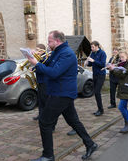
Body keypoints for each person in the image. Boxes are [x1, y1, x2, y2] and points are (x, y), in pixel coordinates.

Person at [27, 30, 97, 161]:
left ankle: (48, 156)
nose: (48, 44)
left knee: (44, 121)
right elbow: (47, 65)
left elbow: (54, 72)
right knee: (73, 121)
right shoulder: (57, 52)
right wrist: (34, 58)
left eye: (50, 41)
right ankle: (90, 144)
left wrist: (36, 64)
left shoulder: (67, 54)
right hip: (59, 92)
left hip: (61, 93)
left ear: (57, 41)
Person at [108, 50, 128, 133]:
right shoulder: (122, 64)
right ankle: (127, 124)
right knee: (123, 107)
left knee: (121, 107)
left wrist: (113, 69)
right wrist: (112, 68)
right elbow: (118, 74)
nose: (121, 59)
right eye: (120, 57)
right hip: (123, 88)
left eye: (123, 57)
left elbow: (121, 74)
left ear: (127, 57)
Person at [85, 41, 107, 116]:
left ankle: (101, 110)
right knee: (96, 92)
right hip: (95, 74)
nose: (91, 48)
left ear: (97, 46)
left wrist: (93, 60)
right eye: (91, 47)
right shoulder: (93, 53)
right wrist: (87, 63)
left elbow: (102, 64)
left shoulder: (102, 53)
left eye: (93, 47)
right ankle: (99, 109)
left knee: (97, 92)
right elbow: (91, 64)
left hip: (101, 74)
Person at [33, 44, 47, 121]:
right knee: (40, 100)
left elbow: (43, 69)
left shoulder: (45, 58)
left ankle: (45, 116)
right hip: (39, 81)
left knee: (44, 100)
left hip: (44, 82)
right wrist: (33, 69)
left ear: (42, 51)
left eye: (37, 49)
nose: (36, 51)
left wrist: (36, 67)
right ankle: (40, 115)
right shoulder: (38, 59)